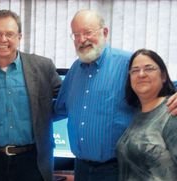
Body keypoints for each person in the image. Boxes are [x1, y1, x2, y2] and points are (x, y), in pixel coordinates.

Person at [54, 9, 177, 181]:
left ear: (105, 32)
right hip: (81, 168)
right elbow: (59, 109)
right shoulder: (74, 70)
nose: (82, 40)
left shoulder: (128, 63)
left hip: (117, 168)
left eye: (88, 32)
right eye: (76, 35)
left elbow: (162, 85)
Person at [0, 10, 61, 181]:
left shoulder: (43, 67)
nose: (3, 39)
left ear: (19, 37)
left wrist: (45, 116)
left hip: (33, 161)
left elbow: (65, 101)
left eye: (9, 34)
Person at [116, 48, 177, 180]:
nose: (141, 74)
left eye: (149, 68)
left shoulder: (172, 112)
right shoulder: (138, 114)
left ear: (164, 76)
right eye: (135, 70)